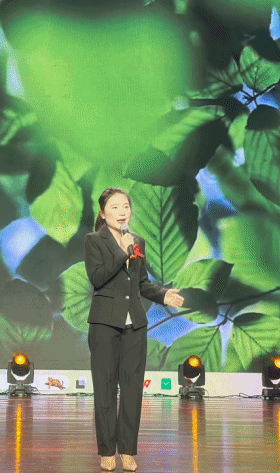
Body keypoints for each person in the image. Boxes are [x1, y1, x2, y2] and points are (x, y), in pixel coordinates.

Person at [84, 187, 185, 472]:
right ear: (103, 213)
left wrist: (163, 294)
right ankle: (107, 451)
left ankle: (127, 450)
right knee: (105, 390)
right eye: (115, 207)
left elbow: (141, 283)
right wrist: (122, 252)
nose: (122, 212)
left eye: (125, 206)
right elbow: (97, 278)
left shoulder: (138, 241)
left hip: (135, 325)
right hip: (104, 324)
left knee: (131, 392)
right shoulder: (94, 240)